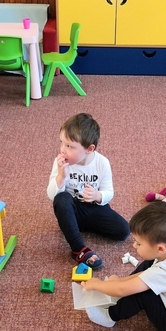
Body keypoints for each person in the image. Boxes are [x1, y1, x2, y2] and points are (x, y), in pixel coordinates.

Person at [81, 201, 166, 331]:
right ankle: (127, 291)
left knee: (144, 293)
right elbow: (146, 275)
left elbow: (122, 290)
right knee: (149, 264)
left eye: (139, 243)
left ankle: (109, 316)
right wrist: (121, 281)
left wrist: (96, 284)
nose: (134, 246)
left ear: (160, 248)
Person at [47, 113, 129, 269]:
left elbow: (109, 191)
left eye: (69, 146)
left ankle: (75, 226)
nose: (63, 150)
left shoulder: (102, 163)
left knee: (123, 231)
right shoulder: (60, 163)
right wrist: (61, 176)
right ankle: (78, 249)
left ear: (89, 149)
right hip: (72, 208)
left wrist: (98, 195)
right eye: (62, 143)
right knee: (62, 198)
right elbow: (53, 196)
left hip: (94, 208)